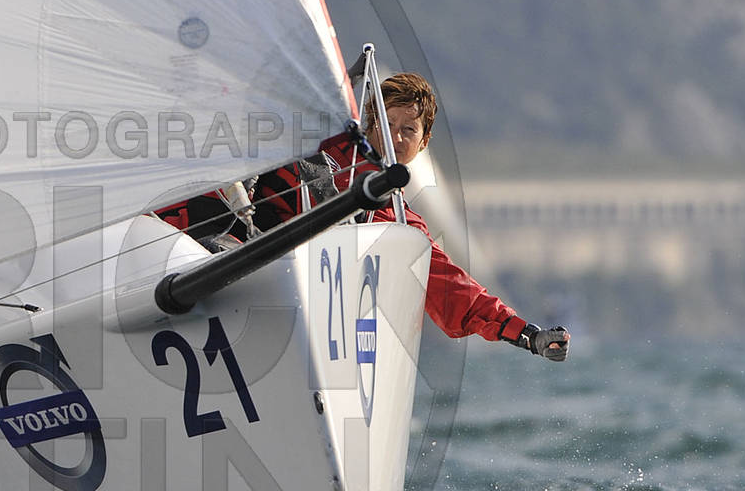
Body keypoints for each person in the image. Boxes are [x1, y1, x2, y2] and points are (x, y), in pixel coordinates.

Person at [169, 72, 570, 361]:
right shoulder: (311, 141)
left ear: (424, 142)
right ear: (369, 121)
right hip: (199, 267)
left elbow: (451, 287)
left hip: (295, 311)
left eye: (408, 130)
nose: (396, 136)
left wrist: (526, 334)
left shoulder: (398, 221)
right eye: (388, 123)